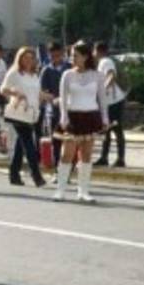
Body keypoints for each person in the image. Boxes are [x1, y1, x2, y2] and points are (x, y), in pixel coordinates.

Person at [54, 41, 107, 204]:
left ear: (85, 57)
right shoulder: (67, 75)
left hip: (91, 116)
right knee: (67, 154)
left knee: (86, 155)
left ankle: (83, 191)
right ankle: (60, 190)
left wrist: (105, 118)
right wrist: (64, 117)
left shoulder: (97, 75)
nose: (72, 58)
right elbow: (63, 99)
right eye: (71, 55)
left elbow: (102, 99)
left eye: (75, 55)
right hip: (73, 117)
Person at [3, 47, 46, 187]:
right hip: (18, 112)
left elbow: (36, 93)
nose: (28, 61)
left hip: (31, 113)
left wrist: (48, 97)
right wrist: (15, 93)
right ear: (20, 59)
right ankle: (36, 175)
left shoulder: (34, 75)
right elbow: (3, 89)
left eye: (31, 58)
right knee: (29, 143)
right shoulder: (14, 73)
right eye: (25, 58)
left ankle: (14, 174)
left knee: (20, 145)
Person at [94, 42, 128, 167]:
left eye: (94, 51)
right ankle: (104, 157)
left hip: (114, 101)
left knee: (116, 129)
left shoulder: (105, 61)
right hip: (110, 102)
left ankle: (120, 159)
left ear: (98, 51)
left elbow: (111, 76)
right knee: (106, 129)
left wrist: (103, 90)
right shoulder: (103, 62)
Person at [39, 42, 69, 168]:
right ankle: (57, 165)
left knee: (70, 140)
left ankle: (68, 166)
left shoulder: (70, 68)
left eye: (57, 55)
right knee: (56, 139)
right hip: (54, 110)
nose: (55, 58)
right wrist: (51, 99)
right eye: (52, 56)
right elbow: (42, 91)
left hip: (70, 109)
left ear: (62, 53)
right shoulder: (46, 70)